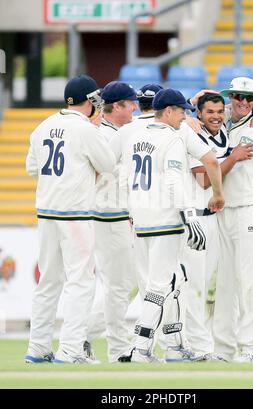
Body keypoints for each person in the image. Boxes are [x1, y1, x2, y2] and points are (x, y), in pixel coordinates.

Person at [120, 88, 224, 362]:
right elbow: (174, 182)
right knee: (159, 285)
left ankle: (176, 346)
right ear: (167, 111)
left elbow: (123, 179)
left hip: (141, 220)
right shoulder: (173, 139)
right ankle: (141, 348)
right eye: (181, 111)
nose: (183, 117)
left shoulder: (135, 136)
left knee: (176, 279)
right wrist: (190, 217)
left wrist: (132, 211)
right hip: (166, 220)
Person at [25, 75, 116, 364]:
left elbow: (32, 168)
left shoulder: (43, 126)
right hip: (75, 213)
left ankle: (38, 347)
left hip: (47, 212)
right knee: (80, 282)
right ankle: (71, 349)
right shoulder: (86, 130)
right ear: (89, 101)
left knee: (48, 281)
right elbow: (108, 165)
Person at [183, 92, 253, 359]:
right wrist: (233, 158)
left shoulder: (221, 128)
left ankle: (204, 345)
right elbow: (203, 180)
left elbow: (239, 108)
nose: (215, 116)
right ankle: (192, 345)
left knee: (210, 289)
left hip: (213, 219)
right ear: (198, 115)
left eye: (218, 111)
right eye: (209, 112)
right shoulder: (194, 134)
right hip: (196, 220)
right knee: (195, 287)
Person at [212, 77, 253, 363]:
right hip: (225, 210)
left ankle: (251, 349)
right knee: (225, 283)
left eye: (249, 99)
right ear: (230, 97)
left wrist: (229, 156)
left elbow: (228, 163)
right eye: (238, 96)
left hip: (248, 208)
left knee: (248, 281)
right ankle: (223, 348)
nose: (243, 102)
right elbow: (200, 105)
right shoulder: (222, 125)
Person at [92, 81, 139, 363]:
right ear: (118, 106)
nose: (135, 107)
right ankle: (117, 348)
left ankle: (81, 337)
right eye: (130, 103)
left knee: (123, 285)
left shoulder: (116, 131)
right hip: (107, 215)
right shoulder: (104, 134)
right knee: (118, 287)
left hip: (118, 216)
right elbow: (102, 176)